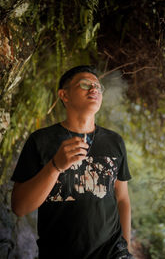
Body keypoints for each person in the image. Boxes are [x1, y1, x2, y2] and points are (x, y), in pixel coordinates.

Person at [11, 65, 133, 259]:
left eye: (98, 86)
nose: (94, 89)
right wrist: (55, 166)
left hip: (111, 253)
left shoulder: (114, 141)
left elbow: (122, 198)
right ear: (64, 95)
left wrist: (125, 249)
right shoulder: (40, 141)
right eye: (85, 84)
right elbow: (19, 207)